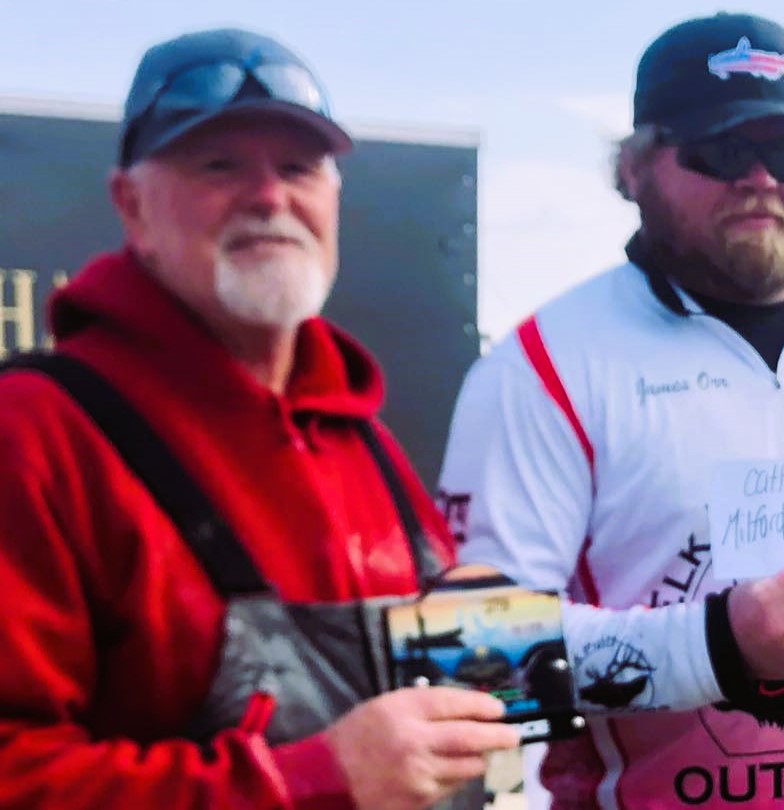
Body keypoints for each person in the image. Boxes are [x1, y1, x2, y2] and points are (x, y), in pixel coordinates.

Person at [438, 11, 784, 809]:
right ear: (631, 169)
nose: (757, 176)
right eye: (719, 147)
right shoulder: (541, 368)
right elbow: (469, 666)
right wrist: (719, 647)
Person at [0, 29, 518, 809]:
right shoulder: (37, 432)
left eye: (299, 168)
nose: (270, 197)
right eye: (219, 165)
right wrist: (309, 782)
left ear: (334, 198)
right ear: (131, 205)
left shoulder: (363, 436)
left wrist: (474, 634)